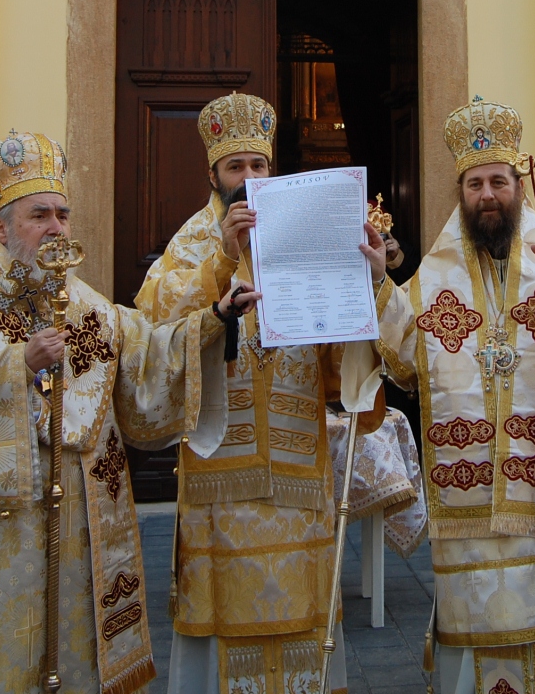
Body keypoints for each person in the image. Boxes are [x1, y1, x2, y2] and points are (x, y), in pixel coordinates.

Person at [0, 130, 230, 694]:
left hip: (86, 523)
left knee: (79, 650)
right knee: (0, 651)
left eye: (64, 215)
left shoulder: (91, 307)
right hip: (2, 528)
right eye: (39, 215)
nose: (56, 228)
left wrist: (214, 319)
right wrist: (14, 367)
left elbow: (148, 360)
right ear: (1, 228)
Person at [366, 97, 535, 694]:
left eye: (497, 182)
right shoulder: (434, 279)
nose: (487, 195)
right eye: (474, 184)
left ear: (517, 186)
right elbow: (406, 359)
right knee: (480, 634)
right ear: (460, 194)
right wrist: (381, 283)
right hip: (472, 515)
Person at [134, 92, 383, 694]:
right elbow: (152, 330)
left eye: (259, 166)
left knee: (301, 616)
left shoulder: (306, 235)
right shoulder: (192, 245)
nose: (249, 180)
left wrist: (367, 282)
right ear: (213, 175)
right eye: (235, 168)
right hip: (223, 468)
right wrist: (222, 258)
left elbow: (342, 348)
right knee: (225, 624)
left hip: (298, 462)